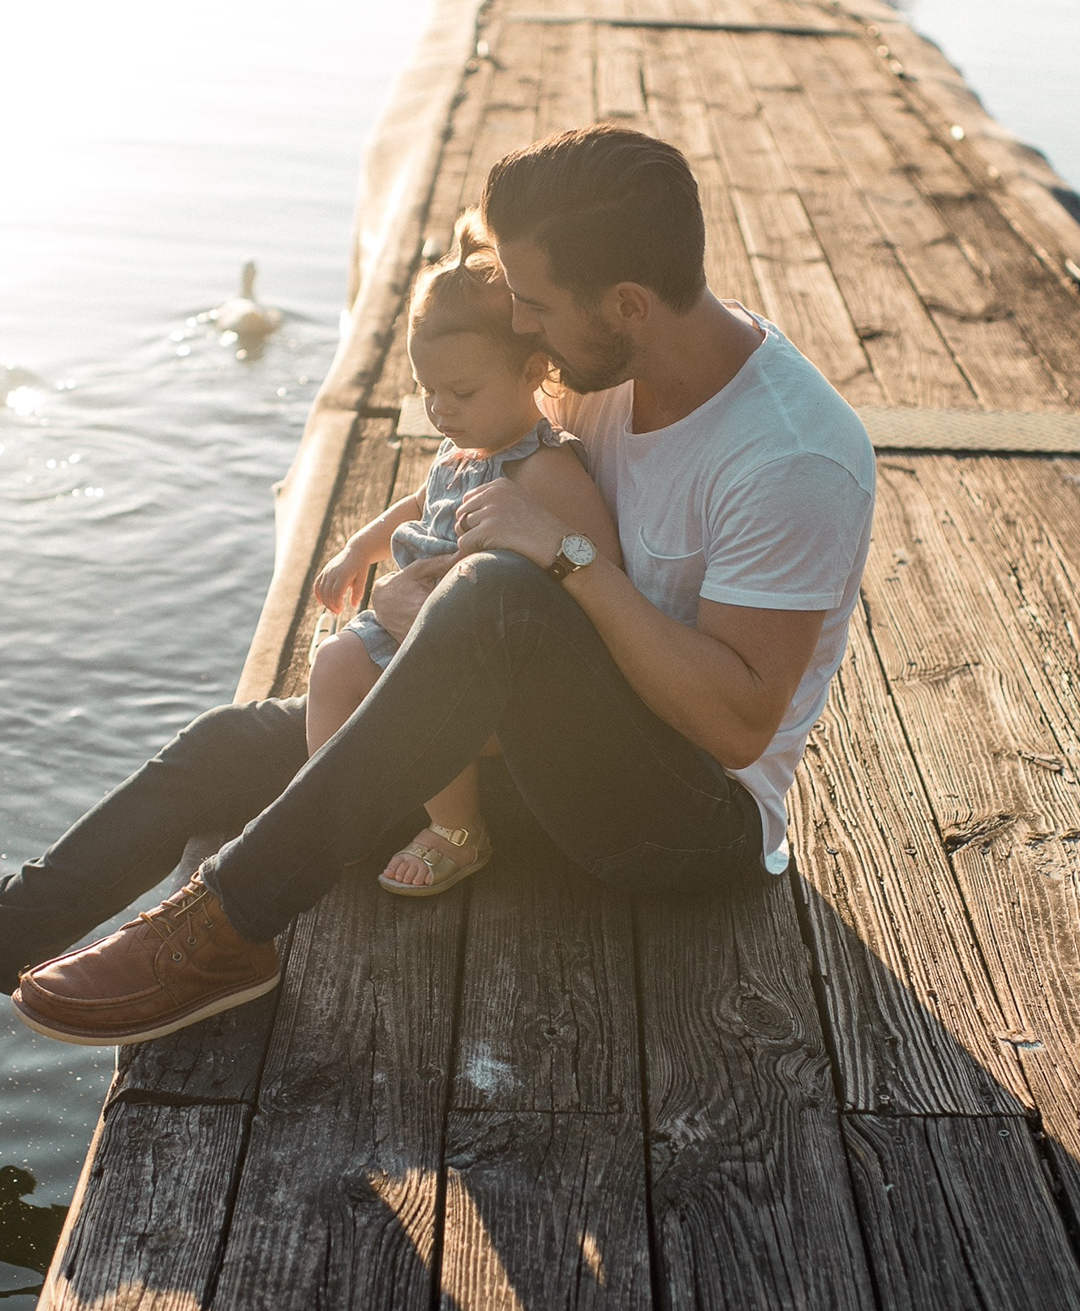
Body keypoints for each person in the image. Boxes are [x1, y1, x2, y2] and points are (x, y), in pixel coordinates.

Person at [3, 124, 875, 1049]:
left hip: (686, 817)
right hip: (533, 744)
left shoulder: (791, 457)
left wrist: (563, 559)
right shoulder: (602, 363)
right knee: (226, 746)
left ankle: (224, 926)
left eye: (534, 306)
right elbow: (476, 478)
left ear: (627, 304)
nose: (520, 327)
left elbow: (738, 725)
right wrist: (411, 600)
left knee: (499, 595)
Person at [306, 210, 621, 896]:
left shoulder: (543, 468)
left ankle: (459, 829)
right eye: (428, 392)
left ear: (533, 370)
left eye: (462, 392)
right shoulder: (462, 451)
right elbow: (418, 505)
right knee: (331, 662)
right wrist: (359, 549)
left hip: (483, 658)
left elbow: (600, 568)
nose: (440, 411)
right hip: (413, 618)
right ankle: (336, 808)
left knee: (420, 695)